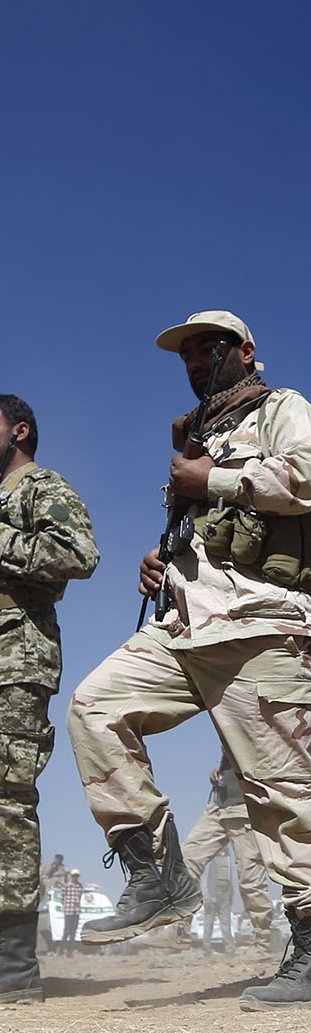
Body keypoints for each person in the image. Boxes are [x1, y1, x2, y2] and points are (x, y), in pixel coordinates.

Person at [67, 310, 311, 1009]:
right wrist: (164, 561)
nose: (198, 362)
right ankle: (158, 874)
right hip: (186, 624)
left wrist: (214, 482)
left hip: (265, 623)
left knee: (280, 791)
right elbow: (207, 536)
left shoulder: (283, 409)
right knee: (95, 707)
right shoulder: (199, 439)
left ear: (246, 351)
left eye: (211, 348)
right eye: (189, 355)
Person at [0, 394, 99, 1002]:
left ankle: (13, 966)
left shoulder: (40, 487)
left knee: (5, 804)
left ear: (19, 430)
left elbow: (77, 554)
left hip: (13, 663)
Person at [180, 754, 275, 953]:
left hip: (244, 805)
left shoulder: (259, 723)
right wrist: (221, 771)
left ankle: (262, 941)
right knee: (187, 859)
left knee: (249, 877)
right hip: (219, 804)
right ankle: (179, 930)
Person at [59, 869, 83, 954]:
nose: (75, 877)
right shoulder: (66, 886)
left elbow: (79, 897)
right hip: (68, 911)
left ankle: (70, 951)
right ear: (71, 876)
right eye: (73, 876)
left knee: (73, 932)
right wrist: (66, 905)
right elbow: (61, 898)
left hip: (76, 912)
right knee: (67, 931)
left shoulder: (80, 886)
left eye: (76, 876)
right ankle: (61, 950)